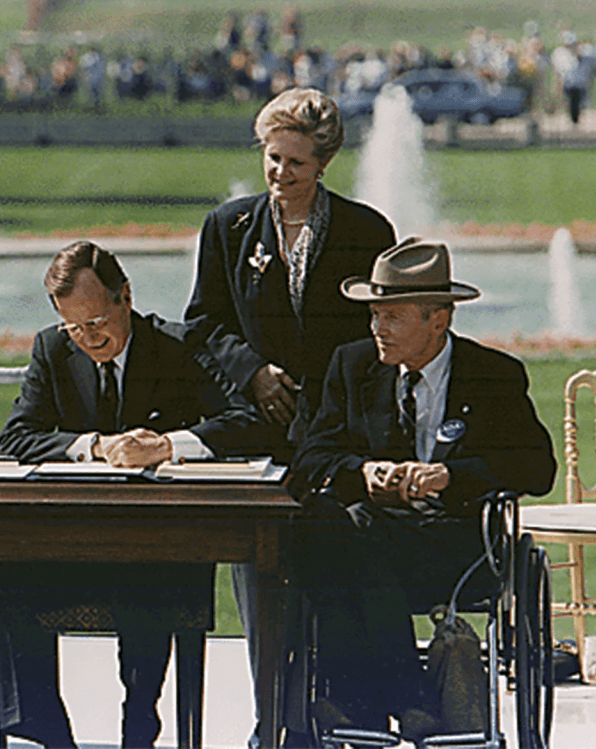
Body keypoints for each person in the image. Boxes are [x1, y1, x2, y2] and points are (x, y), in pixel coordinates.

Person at [0, 240, 264, 749]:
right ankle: (43, 729)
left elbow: (247, 423)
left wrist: (169, 446)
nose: (88, 338)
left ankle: (139, 723)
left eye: (98, 321)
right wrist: (94, 446)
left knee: (146, 584)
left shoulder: (177, 345)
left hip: (162, 551)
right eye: (75, 327)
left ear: (125, 296)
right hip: (76, 547)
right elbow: (14, 438)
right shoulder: (52, 349)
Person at [183, 87, 394, 745]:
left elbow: (377, 335)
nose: (279, 175)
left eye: (295, 164)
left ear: (323, 163)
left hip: (337, 436)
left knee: (335, 566)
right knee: (260, 575)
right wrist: (252, 371)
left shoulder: (366, 233)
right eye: (272, 159)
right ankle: (272, 721)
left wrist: (327, 395)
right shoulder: (229, 228)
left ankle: (341, 715)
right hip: (256, 434)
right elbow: (203, 322)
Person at [292, 239, 556, 741]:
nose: (376, 328)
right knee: (322, 522)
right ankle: (408, 697)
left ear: (439, 320)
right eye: (374, 314)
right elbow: (307, 460)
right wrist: (363, 471)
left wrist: (453, 475)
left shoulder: (493, 376)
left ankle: (358, 703)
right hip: (369, 535)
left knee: (345, 537)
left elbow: (536, 469)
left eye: (392, 316)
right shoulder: (352, 366)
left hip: (454, 543)